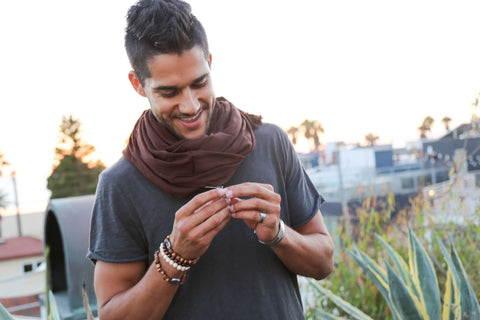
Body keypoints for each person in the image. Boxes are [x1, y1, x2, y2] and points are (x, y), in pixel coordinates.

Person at [87, 0, 334, 319]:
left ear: (210, 63)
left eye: (199, 83)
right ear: (138, 84)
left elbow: (324, 263)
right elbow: (111, 315)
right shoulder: (120, 184)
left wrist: (279, 235)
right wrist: (174, 257)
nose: (190, 106)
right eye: (169, 92)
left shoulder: (270, 142)